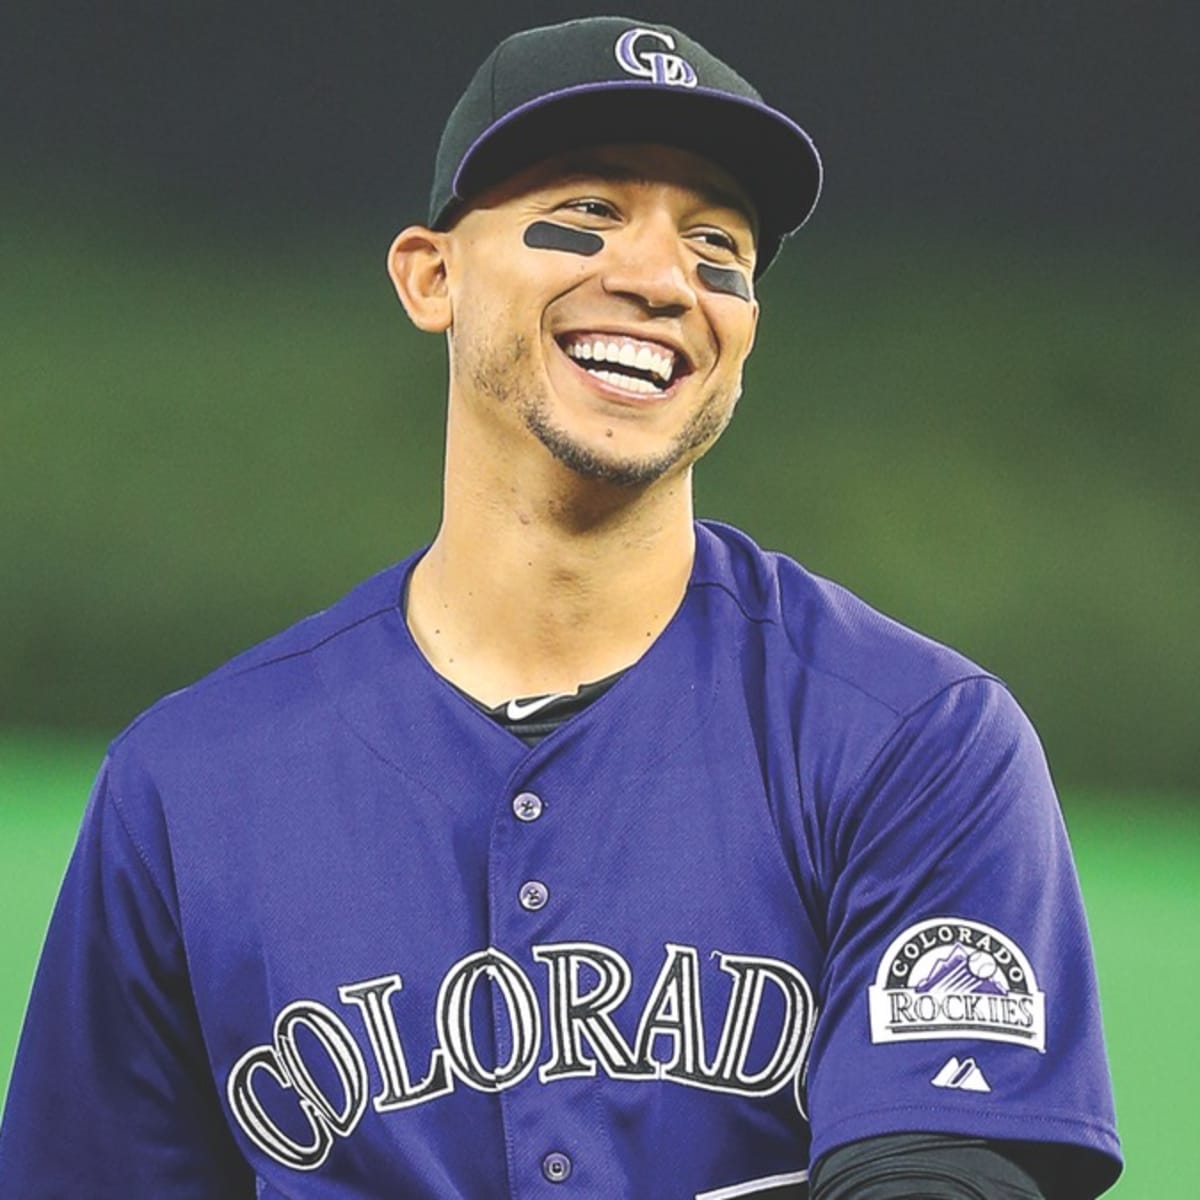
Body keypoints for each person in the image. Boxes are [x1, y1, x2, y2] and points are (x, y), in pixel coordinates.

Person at [0, 16, 1121, 1199]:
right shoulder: (189, 782)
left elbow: (948, 1173)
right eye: (584, 213)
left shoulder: (914, 738)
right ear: (431, 276)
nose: (656, 279)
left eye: (715, 243)